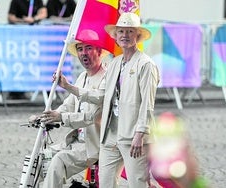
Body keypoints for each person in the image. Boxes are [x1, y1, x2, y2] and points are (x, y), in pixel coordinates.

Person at [59, 12, 160, 188]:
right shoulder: (115, 63)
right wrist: (69, 87)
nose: (125, 35)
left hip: (134, 136)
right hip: (110, 135)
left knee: (138, 183)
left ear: (137, 35)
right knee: (105, 183)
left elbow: (147, 104)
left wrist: (140, 133)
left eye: (129, 31)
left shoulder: (146, 65)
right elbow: (102, 96)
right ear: (116, 37)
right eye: (121, 31)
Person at [29, 29, 108, 188]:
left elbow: (92, 116)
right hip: (75, 142)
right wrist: (48, 116)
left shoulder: (107, 78)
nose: (84, 53)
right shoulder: (82, 77)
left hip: (95, 145)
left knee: (58, 161)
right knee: (38, 159)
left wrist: (62, 116)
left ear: (99, 51)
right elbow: (68, 104)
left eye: (89, 48)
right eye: (80, 49)